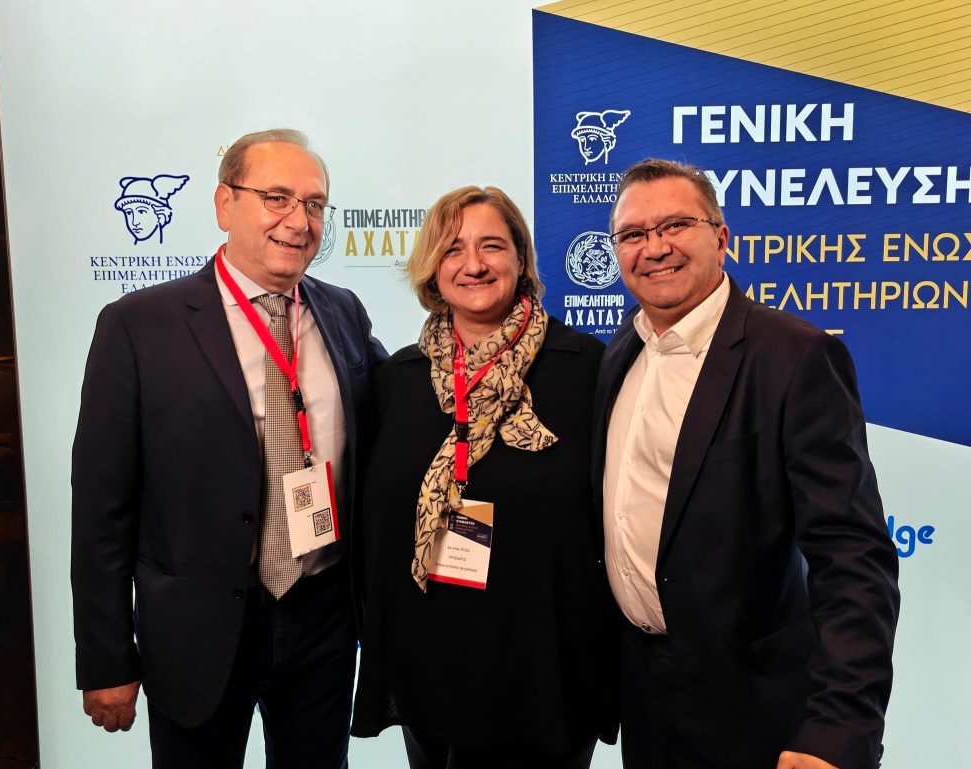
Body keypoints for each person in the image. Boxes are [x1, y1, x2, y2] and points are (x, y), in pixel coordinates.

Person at [72, 128, 387, 768]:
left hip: (323, 620)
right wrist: (106, 658)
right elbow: (101, 508)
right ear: (224, 204)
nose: (298, 220)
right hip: (198, 630)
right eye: (277, 197)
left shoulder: (343, 312)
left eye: (315, 204)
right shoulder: (138, 325)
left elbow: (398, 414)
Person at [594, 158, 900, 769]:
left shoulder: (795, 355)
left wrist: (838, 726)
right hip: (646, 699)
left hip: (759, 710)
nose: (655, 248)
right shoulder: (621, 351)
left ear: (722, 237)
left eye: (675, 225)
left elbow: (851, 557)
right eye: (633, 234)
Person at [351, 186, 618, 769]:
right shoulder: (396, 378)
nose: (473, 264)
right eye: (452, 249)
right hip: (428, 661)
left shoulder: (588, 369)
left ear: (521, 258)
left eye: (491, 245)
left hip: (542, 671)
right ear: (432, 267)